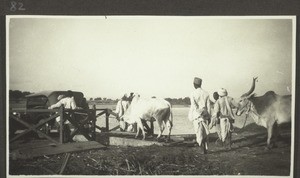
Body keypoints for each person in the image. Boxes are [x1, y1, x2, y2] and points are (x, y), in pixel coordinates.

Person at [188, 77, 211, 154]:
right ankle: (205, 148)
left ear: (194, 84)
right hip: (205, 115)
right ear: (200, 84)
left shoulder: (193, 93)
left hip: (197, 116)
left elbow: (194, 106)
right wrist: (208, 116)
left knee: (198, 132)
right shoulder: (206, 93)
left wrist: (198, 113)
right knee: (205, 132)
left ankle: (201, 148)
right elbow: (208, 106)